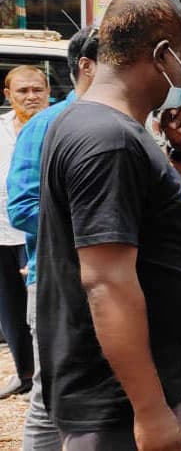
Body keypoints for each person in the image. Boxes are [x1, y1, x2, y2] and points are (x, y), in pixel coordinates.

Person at [34, 0, 181, 450]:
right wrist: (151, 413)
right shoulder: (107, 140)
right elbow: (107, 281)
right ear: (161, 54)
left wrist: (178, 158)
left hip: (127, 390)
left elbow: (138, 227)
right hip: (119, 404)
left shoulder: (95, 124)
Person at [7, 24, 98, 450]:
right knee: (51, 397)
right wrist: (96, 229)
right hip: (57, 282)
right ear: (88, 67)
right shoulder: (45, 126)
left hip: (111, 283)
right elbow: (23, 207)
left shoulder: (125, 122)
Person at [0, 65, 49, 400]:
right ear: (8, 95)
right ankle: (24, 374)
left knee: (41, 311)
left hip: (40, 233)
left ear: (48, 91)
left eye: (37, 89)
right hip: (2, 233)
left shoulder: (58, 125)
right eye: (23, 91)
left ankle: (46, 380)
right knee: (10, 312)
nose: (31, 96)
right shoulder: (1, 130)